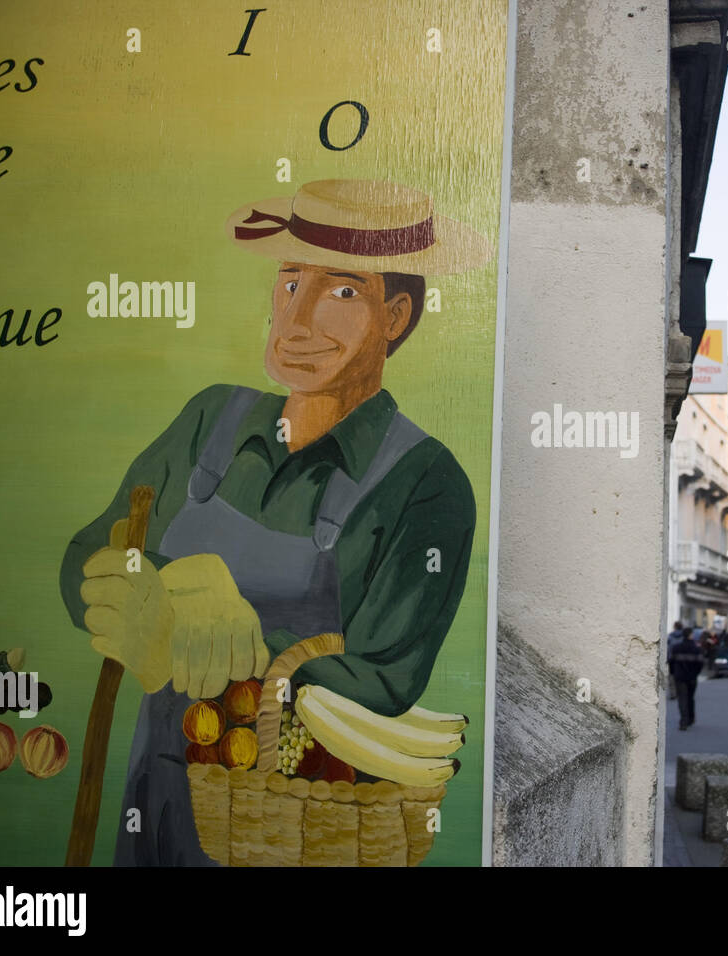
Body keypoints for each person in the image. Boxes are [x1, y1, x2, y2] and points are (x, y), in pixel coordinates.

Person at [59, 179, 491, 865]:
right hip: (160, 803)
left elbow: (383, 684)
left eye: (343, 292)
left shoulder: (426, 485)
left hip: (293, 823)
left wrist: (251, 643)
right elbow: (90, 550)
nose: (298, 320)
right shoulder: (210, 419)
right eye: (291, 282)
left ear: (397, 317)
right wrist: (134, 588)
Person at [669, 626, 703, 730]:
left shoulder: (676, 648)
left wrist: (673, 673)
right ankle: (690, 719)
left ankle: (683, 721)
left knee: (682, 699)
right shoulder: (697, 649)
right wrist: (696, 673)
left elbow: (671, 662)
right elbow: (700, 663)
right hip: (692, 677)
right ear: (690, 635)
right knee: (690, 698)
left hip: (680, 677)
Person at [666, 621, 684, 700]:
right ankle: (680, 692)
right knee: (680, 676)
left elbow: (668, 648)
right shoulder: (684, 636)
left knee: (672, 676)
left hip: (672, 659)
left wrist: (667, 658)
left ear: (675, 627)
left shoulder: (670, 636)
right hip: (682, 659)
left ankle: (673, 693)